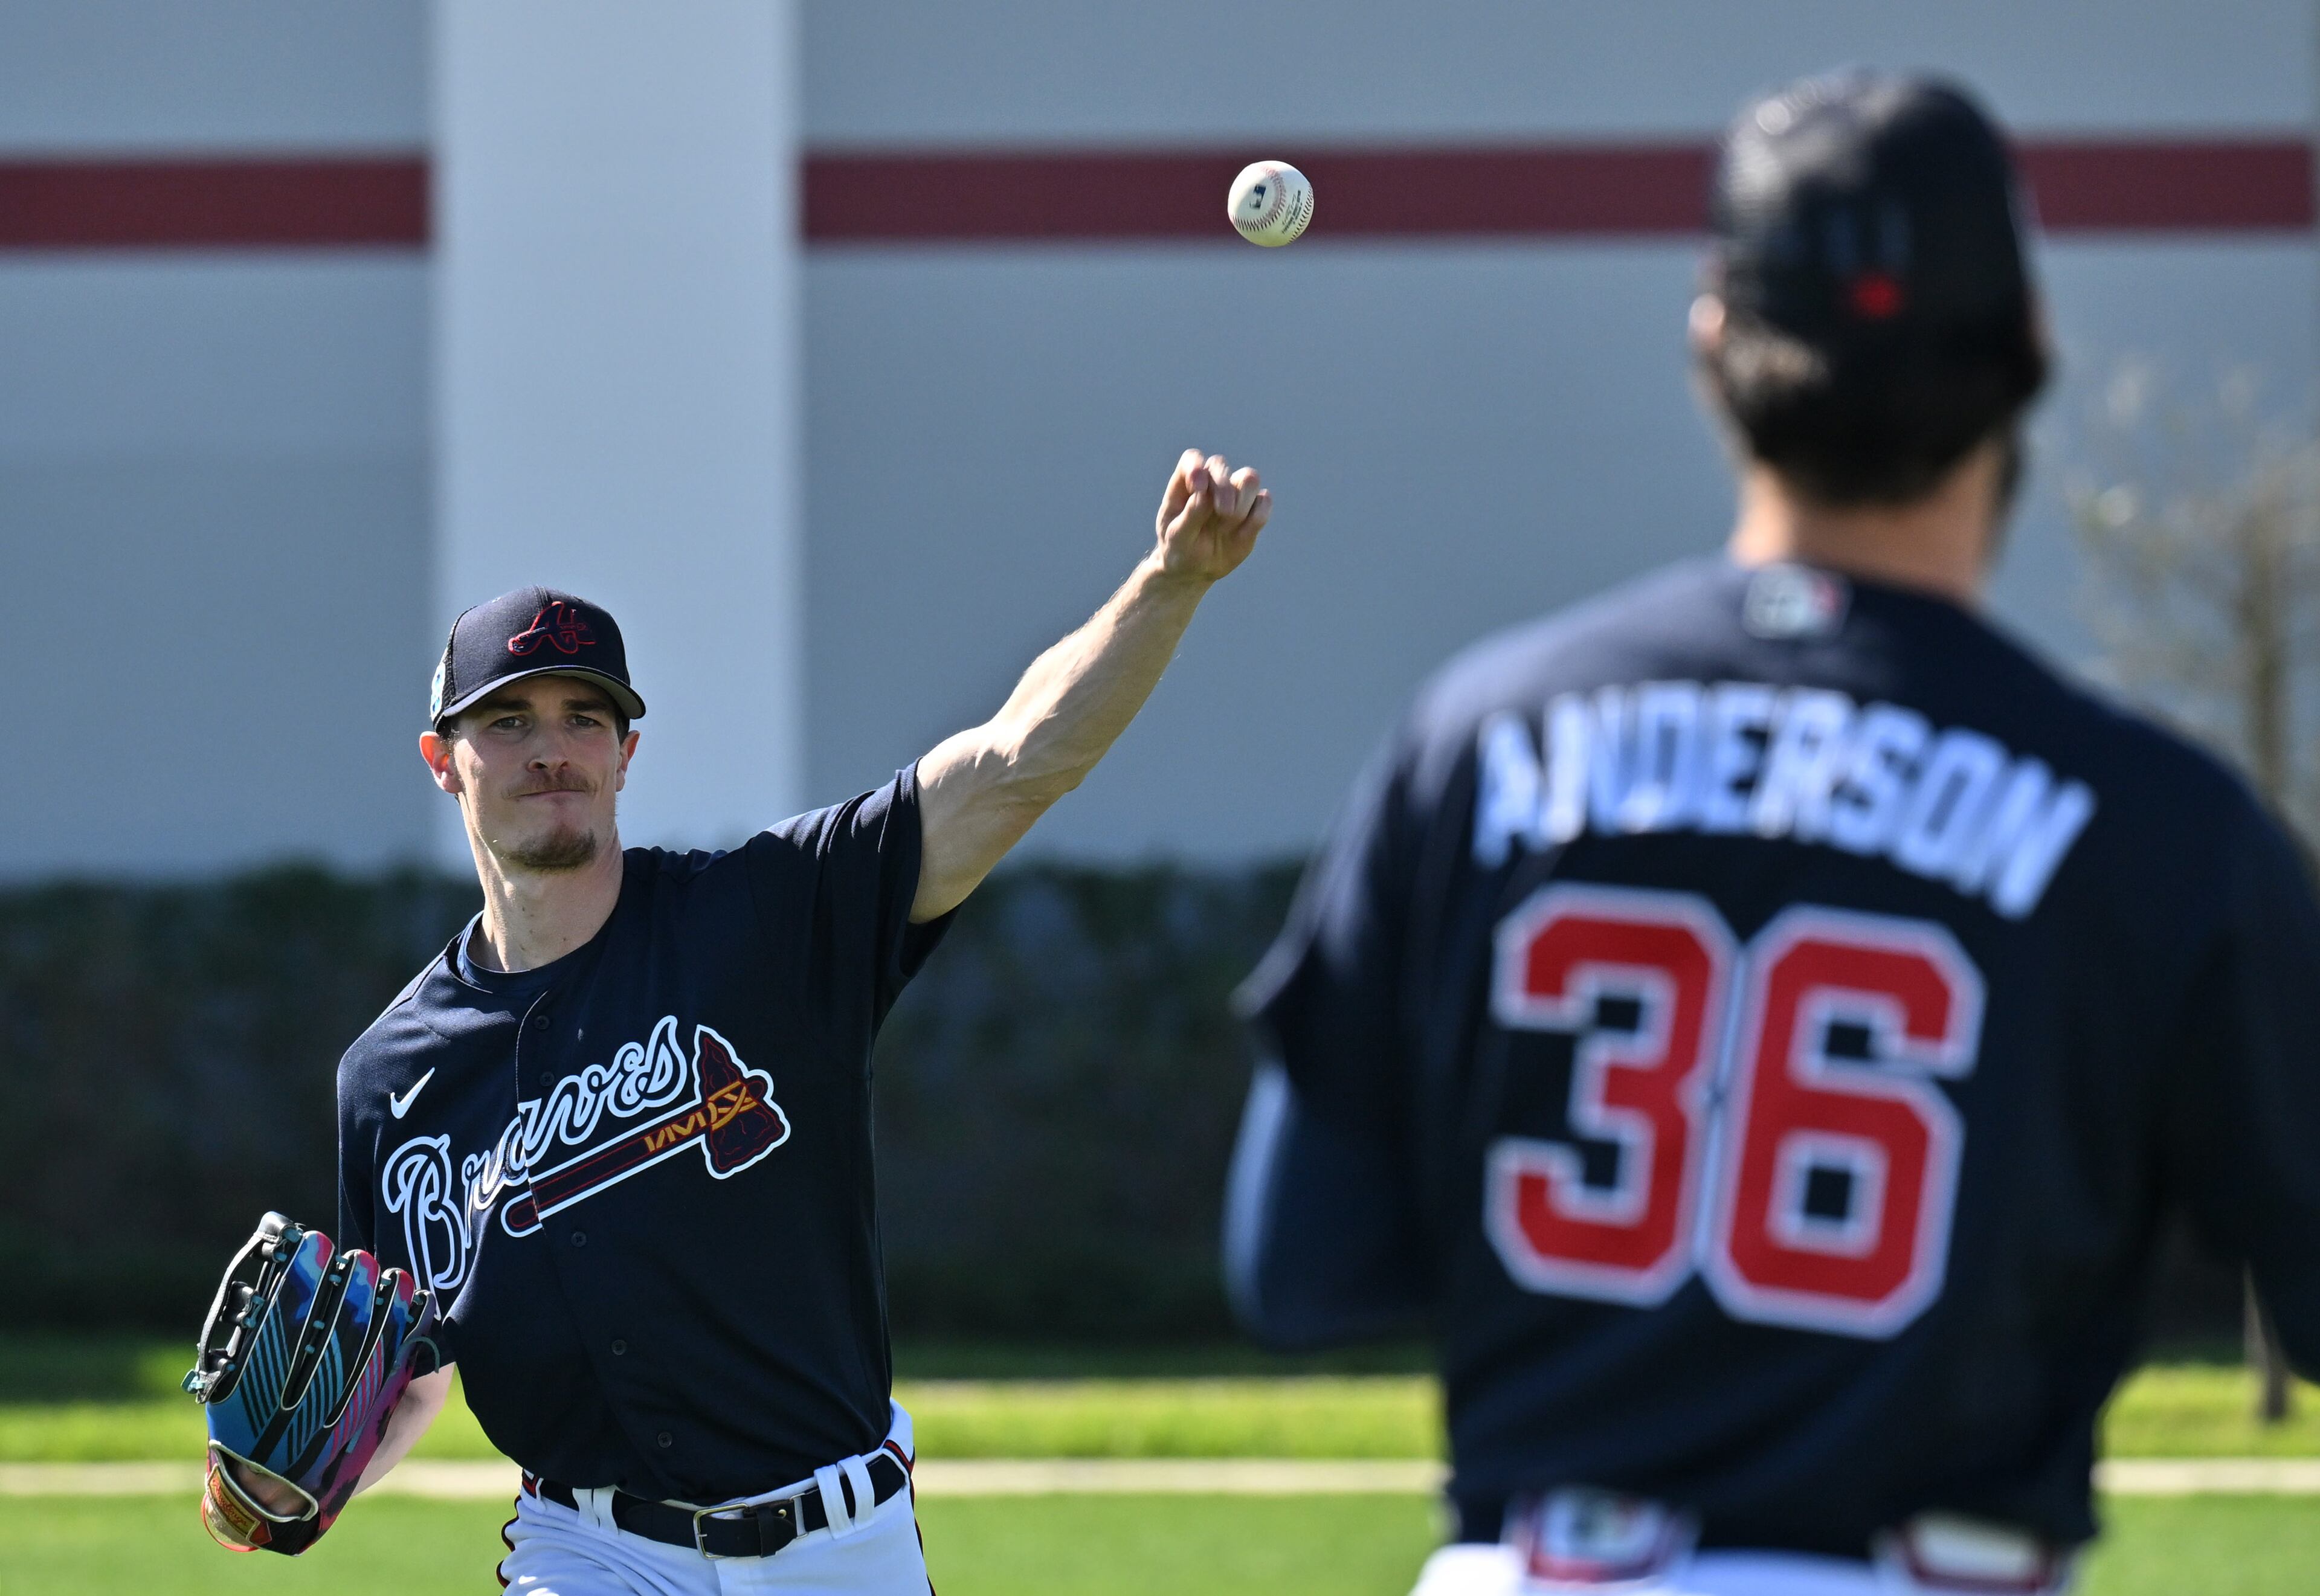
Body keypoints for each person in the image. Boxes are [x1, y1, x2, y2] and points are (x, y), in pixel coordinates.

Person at [1225, 72, 2320, 1596]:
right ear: (2031, 350)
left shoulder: (1479, 738)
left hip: (1555, 1564)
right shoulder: (2159, 826)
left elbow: (1298, 1265)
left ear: (1713, 343)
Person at [290, 448, 1265, 1592]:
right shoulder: (392, 1077)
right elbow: (404, 1376)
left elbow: (1016, 761)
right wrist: (308, 1466)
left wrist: (1172, 579)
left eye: (583, 714)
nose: (549, 746)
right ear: (444, 763)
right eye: (506, 721)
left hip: (837, 1545)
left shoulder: (769, 918)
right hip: (588, 1549)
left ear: (626, 752)